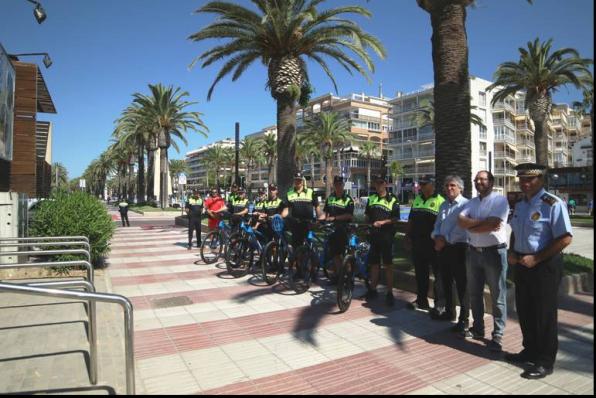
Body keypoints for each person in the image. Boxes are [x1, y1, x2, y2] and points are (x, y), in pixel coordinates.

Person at [507, 163, 573, 379]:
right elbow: (516, 231)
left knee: (544, 314)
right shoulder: (520, 204)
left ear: (541, 180)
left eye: (530, 179)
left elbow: (565, 238)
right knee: (525, 311)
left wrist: (536, 258)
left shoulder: (553, 204)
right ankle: (530, 351)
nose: (524, 183)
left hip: (544, 266)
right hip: (522, 264)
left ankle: (545, 361)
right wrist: (512, 251)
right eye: (521, 179)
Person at [458, 170, 510, 352]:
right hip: (473, 253)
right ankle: (478, 329)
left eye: (483, 179)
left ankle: (498, 334)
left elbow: (492, 224)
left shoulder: (500, 201)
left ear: (491, 181)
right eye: (476, 179)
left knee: (498, 295)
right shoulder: (472, 202)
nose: (479, 182)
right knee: (474, 294)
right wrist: (480, 223)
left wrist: (473, 225)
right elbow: (461, 221)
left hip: (494, 253)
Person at [431, 175, 470, 332]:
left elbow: (462, 229)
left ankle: (464, 319)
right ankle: (449, 312)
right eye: (447, 185)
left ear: (460, 188)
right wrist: (436, 237)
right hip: (443, 248)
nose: (449, 188)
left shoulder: (466, 205)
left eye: (453, 185)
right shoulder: (444, 205)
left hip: (459, 248)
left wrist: (444, 240)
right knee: (445, 282)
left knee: (462, 285)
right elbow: (437, 225)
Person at [405, 175, 446, 317]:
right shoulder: (417, 199)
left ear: (432, 184)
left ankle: (439, 305)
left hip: (434, 245)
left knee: (438, 275)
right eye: (420, 184)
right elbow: (411, 219)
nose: (421, 186)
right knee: (420, 273)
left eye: (424, 183)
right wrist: (407, 236)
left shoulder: (441, 201)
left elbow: (445, 224)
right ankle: (421, 300)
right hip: (418, 243)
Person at [363, 175, 401, 306]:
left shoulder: (393, 199)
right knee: (374, 264)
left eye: (381, 183)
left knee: (388, 265)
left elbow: (396, 218)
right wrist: (366, 227)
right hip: (374, 237)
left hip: (387, 237)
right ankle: (373, 290)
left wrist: (383, 222)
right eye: (376, 183)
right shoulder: (371, 198)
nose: (378, 185)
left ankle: (390, 293)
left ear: (385, 184)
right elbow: (367, 216)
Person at [321, 176, 354, 283]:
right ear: (334, 185)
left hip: (344, 230)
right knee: (335, 254)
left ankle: (349, 277)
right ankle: (339, 276)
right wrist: (320, 219)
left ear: (343, 185)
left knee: (344, 255)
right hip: (332, 230)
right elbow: (325, 213)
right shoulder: (330, 198)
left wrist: (335, 218)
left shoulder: (348, 199)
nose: (338, 186)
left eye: (340, 184)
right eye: (336, 184)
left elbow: (349, 215)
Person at [282, 173, 322, 250]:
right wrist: (279, 217)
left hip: (308, 224)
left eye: (299, 180)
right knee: (296, 247)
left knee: (309, 247)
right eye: (296, 180)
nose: (298, 181)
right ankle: (297, 260)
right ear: (294, 181)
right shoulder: (289, 193)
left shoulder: (310, 192)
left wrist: (319, 219)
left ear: (302, 181)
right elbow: (286, 210)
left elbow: (317, 207)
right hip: (295, 224)